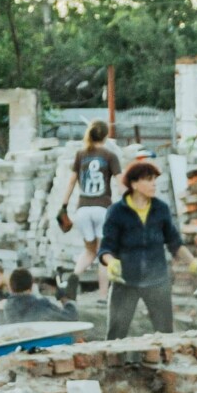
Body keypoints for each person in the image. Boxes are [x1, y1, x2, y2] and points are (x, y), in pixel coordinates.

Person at [99, 159, 197, 336]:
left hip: (157, 280)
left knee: (166, 334)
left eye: (155, 179)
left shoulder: (161, 209)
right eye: (148, 179)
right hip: (125, 281)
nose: (154, 184)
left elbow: (174, 242)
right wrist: (111, 262)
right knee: (116, 335)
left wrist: (193, 263)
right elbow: (106, 247)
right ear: (134, 183)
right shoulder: (117, 212)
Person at [61, 120, 122, 298]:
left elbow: (72, 181)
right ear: (105, 135)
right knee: (104, 252)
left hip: (82, 210)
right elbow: (120, 182)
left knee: (89, 250)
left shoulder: (81, 155)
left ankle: (74, 276)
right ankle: (103, 295)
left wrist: (64, 205)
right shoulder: (110, 156)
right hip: (102, 209)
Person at [2, 264, 81, 326]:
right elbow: (71, 317)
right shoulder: (40, 305)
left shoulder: (8, 307)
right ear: (31, 286)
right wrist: (66, 300)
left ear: (11, 288)